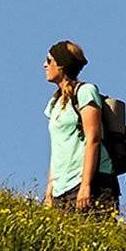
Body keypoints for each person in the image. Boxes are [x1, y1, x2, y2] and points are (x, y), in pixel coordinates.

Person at [42, 40, 119, 213]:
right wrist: (50, 190)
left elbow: (93, 139)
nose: (44, 65)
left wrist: (86, 185)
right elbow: (57, 148)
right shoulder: (54, 103)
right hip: (61, 189)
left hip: (90, 183)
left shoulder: (85, 92)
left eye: (49, 60)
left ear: (61, 65)